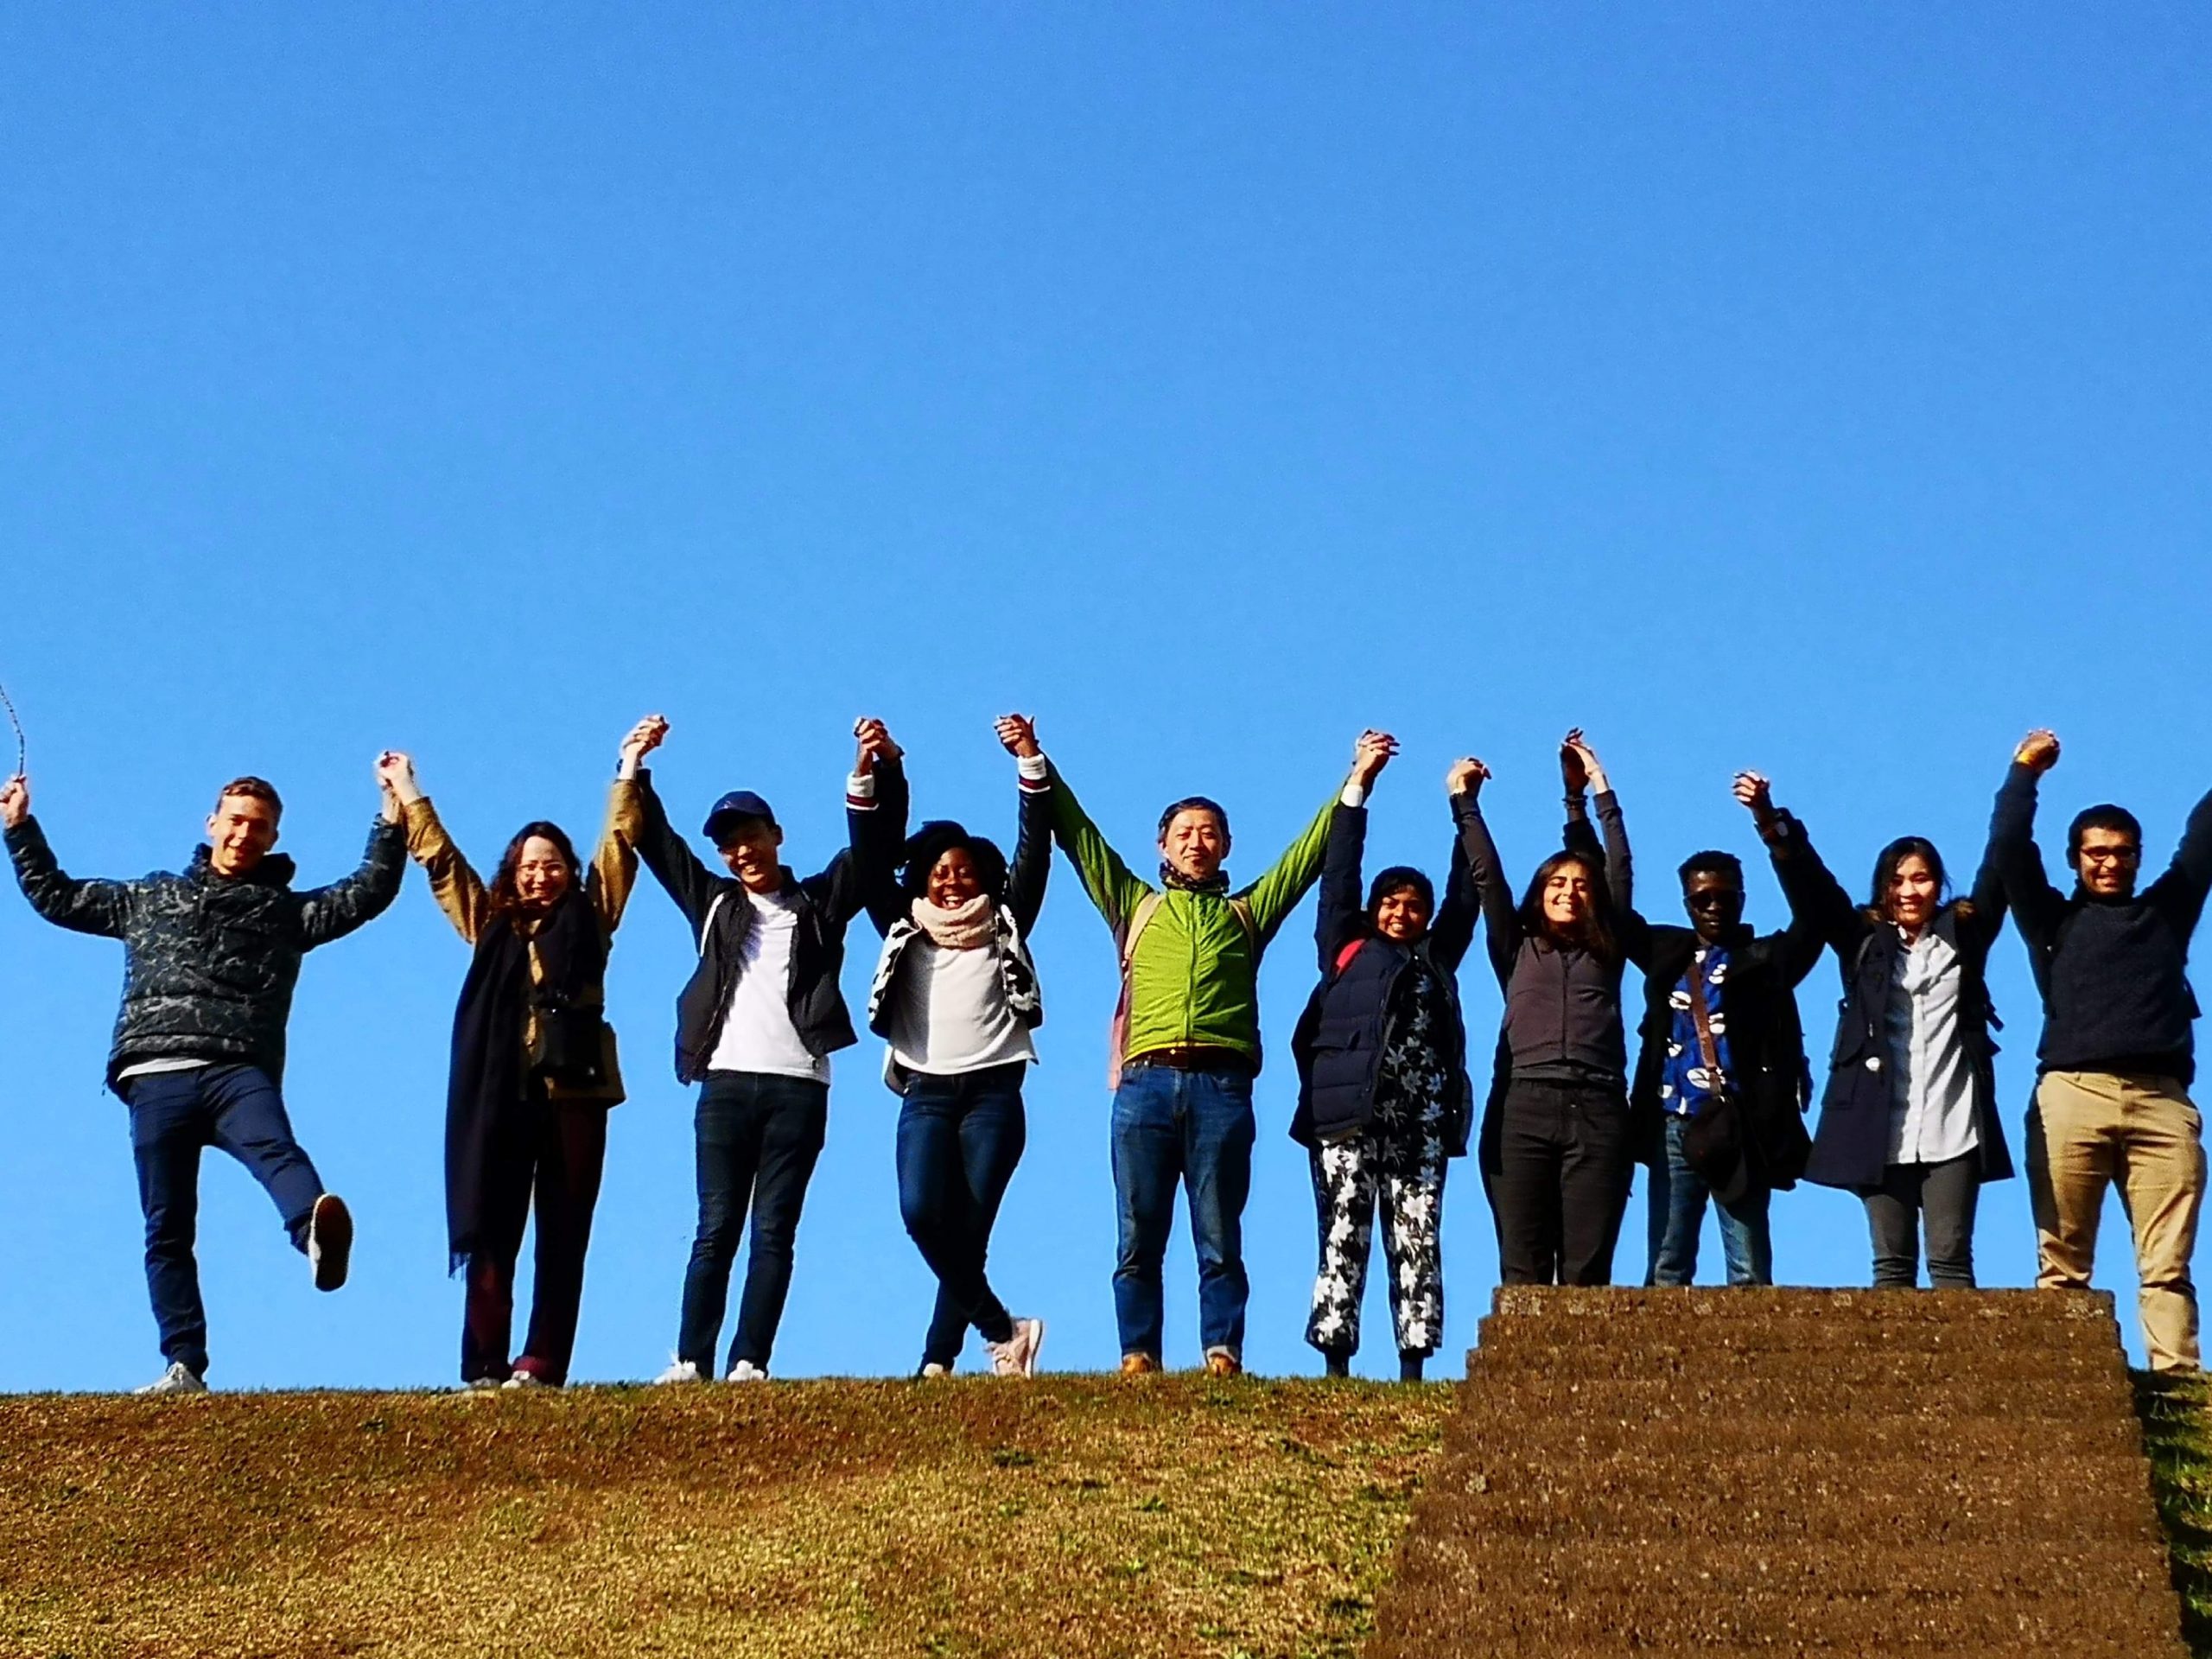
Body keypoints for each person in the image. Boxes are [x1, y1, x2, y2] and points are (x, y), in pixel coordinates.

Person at [1, 766, 404, 1393]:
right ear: (212, 824)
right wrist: (21, 826)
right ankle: (183, 1365)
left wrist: (390, 814)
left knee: (276, 1149)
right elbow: (59, 897)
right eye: (236, 821)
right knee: (167, 1226)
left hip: (236, 1070)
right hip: (155, 1074)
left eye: (259, 827)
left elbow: (366, 892)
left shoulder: (285, 913)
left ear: (273, 840)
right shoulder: (149, 897)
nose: (244, 834)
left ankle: (316, 1235)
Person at [1044, 732, 1365, 1376]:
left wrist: (1358, 776)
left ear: (1226, 846)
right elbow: (1079, 838)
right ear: (1162, 845)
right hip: (1144, 1086)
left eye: (1211, 832)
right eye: (1185, 832)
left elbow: (1306, 858)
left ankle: (1222, 1349)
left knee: (1219, 1236)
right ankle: (1138, 1353)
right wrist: (1036, 760)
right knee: (1138, 1235)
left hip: (1222, 1088)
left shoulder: (1246, 913)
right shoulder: (1136, 906)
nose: (1198, 841)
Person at [626, 715, 900, 1383]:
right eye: (728, 845)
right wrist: (634, 764)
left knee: (773, 1230)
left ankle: (751, 1360)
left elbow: (875, 848)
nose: (741, 852)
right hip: (722, 1084)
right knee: (715, 1229)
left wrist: (881, 770)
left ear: (777, 836)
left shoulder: (817, 901)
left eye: (750, 837)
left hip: (797, 1085)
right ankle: (691, 1360)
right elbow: (656, 843)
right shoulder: (715, 905)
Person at [377, 734, 647, 1389]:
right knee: (491, 1231)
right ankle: (484, 1365)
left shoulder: (592, 917)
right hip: (499, 1098)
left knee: (563, 1234)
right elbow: (442, 864)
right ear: (512, 871)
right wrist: (409, 792)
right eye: (528, 864)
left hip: (574, 1094)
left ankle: (543, 1362)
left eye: (552, 863)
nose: (540, 874)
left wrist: (629, 771)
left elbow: (618, 848)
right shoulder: (488, 920)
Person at [1996, 728, 2212, 1372]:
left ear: (2139, 858)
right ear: (2076, 860)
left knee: (2167, 1262)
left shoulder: (2166, 914)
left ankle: (2177, 1379)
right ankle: (2069, 1379)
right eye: (2095, 854)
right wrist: (2024, 774)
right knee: (2062, 1258)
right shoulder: (2052, 921)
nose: (2109, 863)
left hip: (2161, 1101)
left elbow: (2205, 836)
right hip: (2072, 1094)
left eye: (2121, 853)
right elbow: (2009, 847)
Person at [1758, 776, 2015, 1288]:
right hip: (1877, 1125)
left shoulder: (1964, 933)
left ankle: (1964, 1368)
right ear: (1882, 887)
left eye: (1920, 879)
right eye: (1897, 881)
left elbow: (1999, 858)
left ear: (1938, 884)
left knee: (1951, 1261)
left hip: (1953, 1122)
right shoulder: (1862, 939)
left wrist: (2022, 777)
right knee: (1892, 1266)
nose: (1908, 891)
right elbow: (1815, 885)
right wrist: (1771, 821)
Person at [860, 715, 1052, 1379]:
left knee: (968, 1233)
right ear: (923, 879)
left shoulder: (1007, 921)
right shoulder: (902, 924)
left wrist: (1028, 760)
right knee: (920, 1212)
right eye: (941, 872)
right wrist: (878, 771)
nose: (952, 881)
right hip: (926, 1090)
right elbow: (864, 857)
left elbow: (1036, 850)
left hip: (996, 1091)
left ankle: (937, 1361)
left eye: (965, 871)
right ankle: (1006, 1330)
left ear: (984, 878)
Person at [1290, 731, 1474, 1382]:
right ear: (1373, 912)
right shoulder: (1344, 945)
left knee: (1417, 1239)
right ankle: (1336, 1360)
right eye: (1391, 903)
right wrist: (1359, 783)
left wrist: (1464, 809)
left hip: (1420, 1122)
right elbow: (1339, 871)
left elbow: (1468, 893)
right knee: (1344, 1235)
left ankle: (1414, 1364)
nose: (1403, 912)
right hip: (1347, 1118)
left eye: (1413, 905)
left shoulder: (1436, 957)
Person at [1621, 772, 1823, 1288]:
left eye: (1724, 897)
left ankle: (1752, 1366)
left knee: (1749, 1267)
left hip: (1741, 1121)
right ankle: (1658, 1366)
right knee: (1668, 1261)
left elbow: (1815, 915)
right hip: (1673, 1120)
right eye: (1701, 899)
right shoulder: (1667, 953)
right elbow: (1611, 908)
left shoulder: (1766, 959)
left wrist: (1770, 822)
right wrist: (1584, 800)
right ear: (1687, 904)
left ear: (1742, 899)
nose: (1714, 907)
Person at [1455, 733, 1637, 1287]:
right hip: (1522, 1106)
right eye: (1556, 883)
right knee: (1523, 1264)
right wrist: (1465, 803)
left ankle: (1588, 1373)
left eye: (1580, 884)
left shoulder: (1607, 947)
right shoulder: (1516, 946)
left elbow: (1620, 867)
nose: (1569, 891)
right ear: (1539, 893)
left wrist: (1593, 792)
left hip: (1599, 1106)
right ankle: (1518, 1373)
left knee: (1586, 1269)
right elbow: (1487, 877)